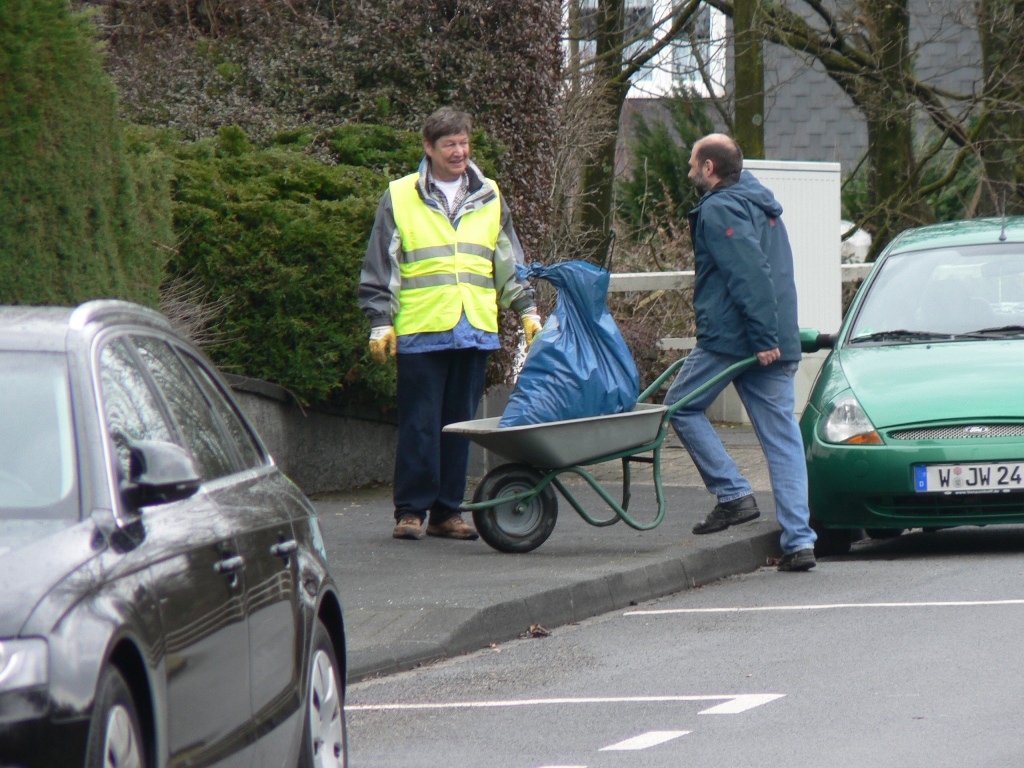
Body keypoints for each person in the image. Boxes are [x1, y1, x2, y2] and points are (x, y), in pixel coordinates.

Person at [358, 106, 541, 542]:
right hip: (422, 328)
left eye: (463, 143)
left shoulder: (490, 194)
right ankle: (411, 511)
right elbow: (383, 264)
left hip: (472, 327)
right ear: (429, 147)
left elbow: (506, 260)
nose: (459, 152)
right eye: (449, 145)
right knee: (420, 422)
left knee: (460, 423)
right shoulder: (402, 195)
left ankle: (447, 511)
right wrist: (380, 321)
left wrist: (528, 309)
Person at [664, 133, 818, 572]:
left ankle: (733, 494)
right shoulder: (760, 203)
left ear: (709, 168)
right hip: (771, 337)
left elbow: (750, 273)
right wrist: (774, 336)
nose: (690, 169)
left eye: (693, 163)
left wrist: (763, 337)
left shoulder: (720, 208)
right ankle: (800, 542)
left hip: (735, 340)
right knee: (782, 440)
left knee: (679, 406)